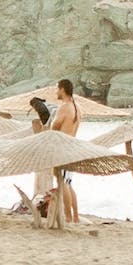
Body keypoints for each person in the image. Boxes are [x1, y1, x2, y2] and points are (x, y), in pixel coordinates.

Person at [50, 78, 83, 225]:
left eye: (57, 89)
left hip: (63, 148)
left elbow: (54, 126)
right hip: (72, 146)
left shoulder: (64, 107)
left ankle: (68, 217)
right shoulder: (77, 107)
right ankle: (75, 217)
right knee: (68, 182)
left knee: (62, 182)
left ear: (62, 89)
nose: (56, 92)